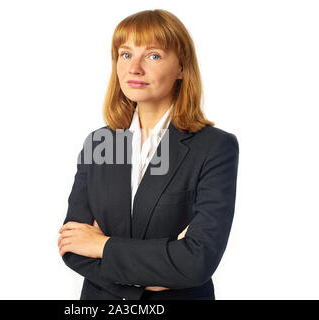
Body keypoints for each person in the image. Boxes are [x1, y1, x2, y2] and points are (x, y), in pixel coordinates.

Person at [58, 9, 239, 300]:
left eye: (153, 55)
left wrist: (102, 246)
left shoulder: (214, 147)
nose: (134, 68)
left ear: (182, 68)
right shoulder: (101, 143)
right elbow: (72, 245)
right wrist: (156, 273)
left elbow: (197, 260)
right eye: (125, 54)